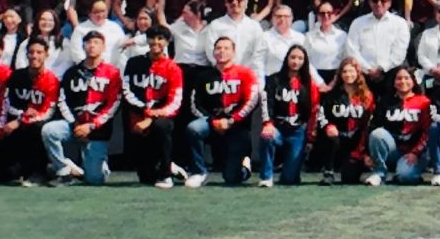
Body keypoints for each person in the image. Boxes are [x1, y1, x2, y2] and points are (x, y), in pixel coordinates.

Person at [186, 35, 260, 188]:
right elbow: (195, 103)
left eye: (226, 48)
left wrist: (232, 120)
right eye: (218, 48)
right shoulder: (204, 76)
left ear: (234, 52)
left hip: (237, 126)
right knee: (193, 128)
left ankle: (244, 167)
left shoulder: (246, 74)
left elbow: (252, 101)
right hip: (211, 123)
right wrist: (213, 120)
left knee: (231, 178)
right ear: (213, 52)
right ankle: (199, 172)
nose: (222, 51)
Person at [0, 39, 61, 185]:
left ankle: (40, 172)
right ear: (27, 55)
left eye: (39, 52)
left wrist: (20, 121)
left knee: (38, 128)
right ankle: (23, 169)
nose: (35, 56)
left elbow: (48, 113)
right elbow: (5, 106)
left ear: (46, 55)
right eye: (31, 52)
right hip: (15, 125)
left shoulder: (52, 80)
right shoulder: (16, 76)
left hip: (36, 126)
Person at [122, 29, 186, 188]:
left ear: (167, 42)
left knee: (161, 127)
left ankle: (166, 174)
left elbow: (175, 101)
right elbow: (126, 90)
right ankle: (167, 165)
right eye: (152, 38)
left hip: (162, 117)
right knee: (146, 177)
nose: (156, 42)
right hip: (137, 116)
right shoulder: (134, 63)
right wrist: (144, 112)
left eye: (160, 38)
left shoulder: (173, 68)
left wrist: (152, 116)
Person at [58, 30, 119, 185]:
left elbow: (114, 103)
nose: (92, 46)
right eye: (88, 42)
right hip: (73, 126)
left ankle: (95, 166)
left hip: (98, 129)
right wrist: (75, 124)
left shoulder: (112, 73)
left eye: (96, 42)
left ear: (103, 47)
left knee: (94, 179)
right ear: (83, 46)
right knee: (49, 131)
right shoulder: (71, 72)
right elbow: (62, 100)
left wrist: (92, 126)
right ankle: (63, 167)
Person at [257, 42, 315, 186]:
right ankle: (266, 177)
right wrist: (267, 123)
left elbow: (313, 111)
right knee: (266, 136)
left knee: (290, 179)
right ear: (287, 59)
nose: (296, 61)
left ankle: (289, 170)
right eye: (293, 57)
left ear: (305, 61)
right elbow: (266, 103)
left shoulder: (309, 83)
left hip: (298, 131)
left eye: (300, 58)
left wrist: (310, 137)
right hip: (277, 127)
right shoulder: (273, 80)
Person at [309, 59, 374, 184]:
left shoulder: (366, 96)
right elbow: (321, 115)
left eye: (351, 71)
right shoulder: (332, 94)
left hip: (355, 141)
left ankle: (354, 165)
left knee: (350, 178)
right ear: (340, 74)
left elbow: (368, 124)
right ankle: (328, 171)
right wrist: (328, 126)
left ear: (358, 73)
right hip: (335, 137)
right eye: (345, 72)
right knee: (330, 138)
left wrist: (363, 151)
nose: (348, 75)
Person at [364, 67, 432, 185]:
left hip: (414, 153)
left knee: (406, 177)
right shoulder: (385, 101)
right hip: (393, 149)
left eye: (407, 78)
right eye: (399, 78)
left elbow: (427, 131)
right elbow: (372, 127)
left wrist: (416, 152)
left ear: (413, 81)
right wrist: (366, 154)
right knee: (377, 134)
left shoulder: (424, 102)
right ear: (394, 82)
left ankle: (405, 173)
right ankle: (379, 172)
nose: (403, 81)